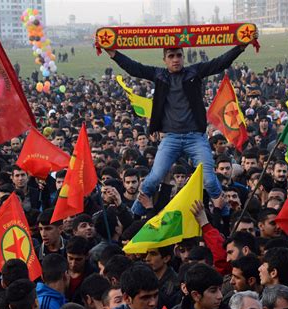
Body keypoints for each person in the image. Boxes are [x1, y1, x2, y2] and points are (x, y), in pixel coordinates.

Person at [103, 31, 258, 217]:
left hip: (196, 137)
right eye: (171, 56)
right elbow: (134, 68)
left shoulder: (194, 72)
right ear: (164, 59)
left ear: (183, 57)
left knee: (209, 180)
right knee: (153, 179)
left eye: (178, 55)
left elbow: (219, 63)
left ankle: (227, 215)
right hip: (171, 138)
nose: (175, 60)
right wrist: (112, 53)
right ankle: (131, 215)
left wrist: (241, 47)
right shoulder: (159, 75)